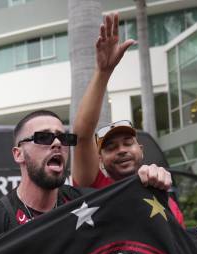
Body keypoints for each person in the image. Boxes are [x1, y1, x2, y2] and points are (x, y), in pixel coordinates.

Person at [71, 13, 183, 224]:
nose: (121, 150)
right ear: (100, 160)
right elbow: (83, 136)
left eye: (127, 143)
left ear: (140, 149)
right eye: (111, 147)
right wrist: (103, 71)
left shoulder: (165, 199)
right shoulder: (93, 188)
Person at [0, 110, 83, 247]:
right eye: (43, 137)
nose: (58, 143)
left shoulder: (85, 202)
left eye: (64, 138)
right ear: (18, 154)